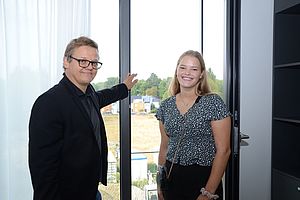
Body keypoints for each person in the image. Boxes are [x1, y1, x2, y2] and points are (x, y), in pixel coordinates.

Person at [28, 36, 138, 200]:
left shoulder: (89, 93)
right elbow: (43, 169)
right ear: (66, 61)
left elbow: (103, 97)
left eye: (94, 63)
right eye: (83, 61)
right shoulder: (49, 103)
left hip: (90, 190)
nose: (90, 67)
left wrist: (124, 87)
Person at [156, 50, 231, 200]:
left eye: (194, 69)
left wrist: (208, 193)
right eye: (182, 67)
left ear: (201, 74)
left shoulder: (213, 103)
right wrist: (160, 183)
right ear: (176, 70)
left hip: (204, 179)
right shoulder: (165, 106)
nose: (187, 73)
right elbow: (164, 146)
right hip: (171, 178)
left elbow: (224, 151)